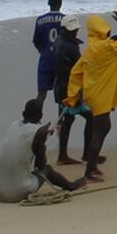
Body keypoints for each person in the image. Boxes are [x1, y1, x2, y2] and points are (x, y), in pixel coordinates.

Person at [64, 11, 117, 181]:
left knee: (103, 127)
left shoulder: (90, 50)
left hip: (93, 95)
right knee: (100, 130)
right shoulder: (108, 47)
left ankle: (93, 165)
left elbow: (76, 73)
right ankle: (89, 171)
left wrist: (72, 96)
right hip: (101, 96)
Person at [0, 98, 86, 202]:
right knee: (47, 170)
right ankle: (70, 186)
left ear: (23, 113)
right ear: (41, 116)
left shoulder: (13, 125)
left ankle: (7, 183)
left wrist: (43, 134)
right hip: (17, 192)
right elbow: (40, 165)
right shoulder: (39, 131)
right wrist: (42, 141)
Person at [52, 14, 86, 164]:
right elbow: (78, 68)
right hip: (69, 89)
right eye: (72, 30)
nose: (75, 32)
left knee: (67, 121)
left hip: (60, 88)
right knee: (91, 118)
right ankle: (86, 154)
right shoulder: (69, 46)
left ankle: (62, 155)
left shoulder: (59, 41)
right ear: (64, 29)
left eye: (76, 29)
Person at [32, 0, 65, 109]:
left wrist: (44, 52)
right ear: (61, 3)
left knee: (41, 94)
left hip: (45, 59)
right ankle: (61, 123)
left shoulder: (40, 20)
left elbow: (36, 42)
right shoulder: (66, 19)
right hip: (61, 60)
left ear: (48, 3)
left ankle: (35, 120)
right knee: (62, 94)